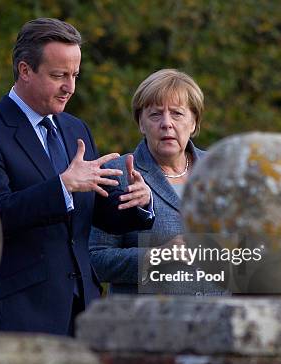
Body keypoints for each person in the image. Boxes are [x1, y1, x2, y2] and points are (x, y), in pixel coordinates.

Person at [0, 18, 154, 336]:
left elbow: (93, 210)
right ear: (25, 71)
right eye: (59, 75)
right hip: (16, 314)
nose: (70, 87)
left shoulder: (76, 128)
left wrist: (138, 202)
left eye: (74, 75)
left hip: (83, 310)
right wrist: (62, 186)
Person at [89, 69, 228, 295]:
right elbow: (95, 259)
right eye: (155, 115)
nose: (166, 123)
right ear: (141, 124)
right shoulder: (116, 174)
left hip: (216, 320)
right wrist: (157, 256)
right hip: (149, 324)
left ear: (194, 122)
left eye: (177, 114)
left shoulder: (221, 170)